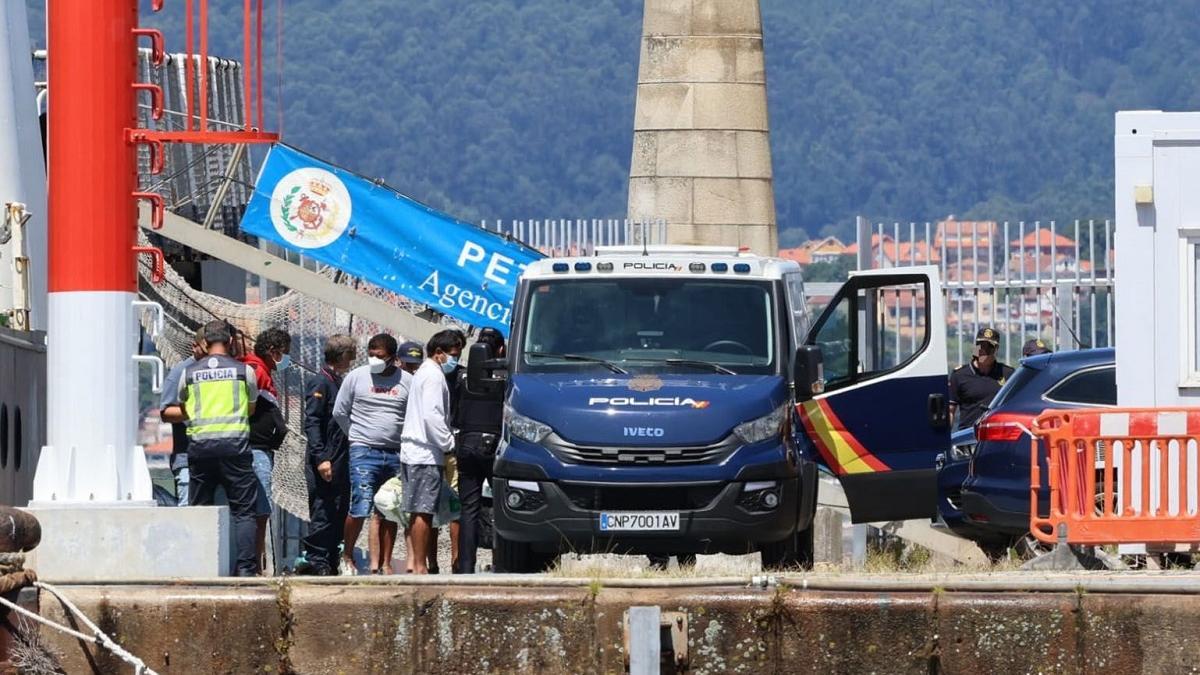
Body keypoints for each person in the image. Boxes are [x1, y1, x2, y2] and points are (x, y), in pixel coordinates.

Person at [165, 320, 262, 577]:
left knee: (200, 511)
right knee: (243, 513)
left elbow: (184, 407)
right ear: (230, 342)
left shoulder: (189, 373)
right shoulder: (244, 371)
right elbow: (251, 407)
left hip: (200, 450)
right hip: (235, 448)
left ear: (205, 343)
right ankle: (245, 570)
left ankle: (199, 567)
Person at [333, 334, 411, 575]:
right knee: (360, 505)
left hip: (396, 452)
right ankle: (347, 556)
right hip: (363, 451)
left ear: (393, 358)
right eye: (371, 354)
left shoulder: (407, 381)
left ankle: (386, 563)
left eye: (380, 356)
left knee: (389, 508)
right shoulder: (356, 377)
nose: (374, 359)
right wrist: (355, 437)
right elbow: (340, 412)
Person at [399, 330, 462, 575]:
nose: (454, 360)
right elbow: (432, 415)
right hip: (425, 453)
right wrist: (448, 444)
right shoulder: (434, 376)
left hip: (415, 451)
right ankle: (420, 565)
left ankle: (418, 564)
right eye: (453, 355)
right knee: (424, 512)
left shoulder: (424, 373)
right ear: (439, 353)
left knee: (419, 510)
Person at [299, 335, 356, 576]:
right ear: (342, 355)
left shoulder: (338, 382)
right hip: (326, 457)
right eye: (350, 356)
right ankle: (317, 559)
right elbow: (312, 422)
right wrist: (321, 457)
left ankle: (331, 557)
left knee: (339, 509)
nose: (352, 361)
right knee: (323, 509)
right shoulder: (320, 382)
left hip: (341, 456)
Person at [453, 328, 506, 573]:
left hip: (465, 443)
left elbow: (454, 412)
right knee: (502, 507)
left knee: (468, 510)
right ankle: (502, 562)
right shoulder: (505, 378)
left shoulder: (462, 377)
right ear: (500, 350)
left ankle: (465, 566)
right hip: (494, 446)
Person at [243, 327, 292, 574]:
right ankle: (255, 564)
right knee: (260, 509)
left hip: (260, 448)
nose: (286, 359)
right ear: (273, 352)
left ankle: (256, 562)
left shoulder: (260, 370)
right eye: (284, 353)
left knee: (258, 509)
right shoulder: (255, 371)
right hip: (255, 450)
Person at [159, 326, 207, 506]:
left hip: (216, 462)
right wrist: (197, 409)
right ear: (195, 347)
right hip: (187, 459)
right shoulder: (181, 372)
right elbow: (166, 412)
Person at [948, 327, 1014, 430]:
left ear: (996, 349)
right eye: (980, 346)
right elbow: (950, 411)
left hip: (997, 436)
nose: (983, 351)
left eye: (988, 347)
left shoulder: (1008, 374)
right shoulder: (959, 375)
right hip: (968, 439)